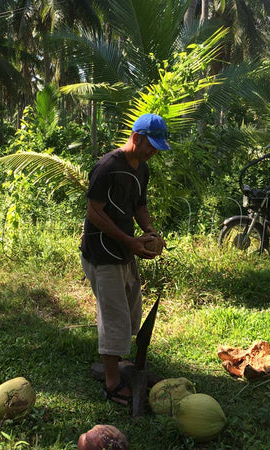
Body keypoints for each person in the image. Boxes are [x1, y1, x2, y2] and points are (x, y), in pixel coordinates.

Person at [80, 113, 171, 406]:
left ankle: (116, 364)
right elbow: (94, 212)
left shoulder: (141, 168)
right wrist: (130, 241)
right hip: (102, 254)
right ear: (136, 137)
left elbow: (139, 205)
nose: (153, 152)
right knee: (114, 318)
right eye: (150, 145)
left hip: (123, 252)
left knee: (131, 312)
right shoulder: (107, 167)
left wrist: (149, 231)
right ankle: (111, 384)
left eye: (158, 147)